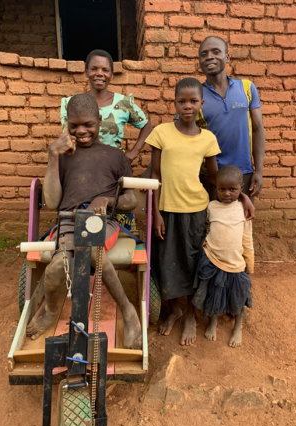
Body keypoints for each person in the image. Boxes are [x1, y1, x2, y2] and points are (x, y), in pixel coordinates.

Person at [26, 93, 142, 350]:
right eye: (74, 125)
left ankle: (128, 309)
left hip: (103, 222)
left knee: (90, 250)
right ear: (67, 123)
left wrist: (106, 200)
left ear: (99, 121)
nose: (81, 131)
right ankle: (51, 308)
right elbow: (54, 203)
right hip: (68, 221)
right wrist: (53, 156)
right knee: (58, 267)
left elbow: (131, 199)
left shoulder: (115, 156)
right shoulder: (63, 154)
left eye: (88, 124)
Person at [148, 78, 254, 346]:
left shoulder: (207, 138)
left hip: (196, 210)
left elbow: (215, 178)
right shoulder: (161, 133)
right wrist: (155, 212)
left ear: (201, 104)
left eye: (193, 101)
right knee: (167, 263)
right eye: (181, 101)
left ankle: (191, 316)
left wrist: (241, 196)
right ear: (174, 103)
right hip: (167, 210)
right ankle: (174, 310)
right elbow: (155, 175)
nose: (187, 106)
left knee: (196, 264)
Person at [61, 49, 153, 230]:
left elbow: (147, 126)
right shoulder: (73, 103)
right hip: (83, 171)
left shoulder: (123, 103)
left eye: (105, 69)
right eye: (94, 68)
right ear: (86, 71)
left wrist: (133, 152)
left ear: (111, 73)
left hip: (113, 171)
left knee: (115, 224)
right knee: (82, 228)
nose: (99, 73)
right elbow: (66, 135)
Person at [197, 36, 266, 200]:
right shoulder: (195, 95)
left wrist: (259, 171)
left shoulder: (247, 87)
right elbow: (181, 135)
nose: (209, 57)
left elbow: (258, 130)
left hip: (244, 174)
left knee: (242, 222)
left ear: (227, 57)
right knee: (214, 223)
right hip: (212, 177)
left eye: (216, 52)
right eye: (204, 54)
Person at [193, 165, 254, 348]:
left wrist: (250, 264)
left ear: (241, 189)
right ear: (216, 188)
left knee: (237, 296)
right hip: (213, 259)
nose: (227, 194)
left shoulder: (243, 209)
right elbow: (206, 228)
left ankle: (238, 326)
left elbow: (247, 240)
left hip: (235, 263)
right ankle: (213, 321)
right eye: (222, 189)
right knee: (214, 293)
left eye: (232, 189)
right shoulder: (211, 206)